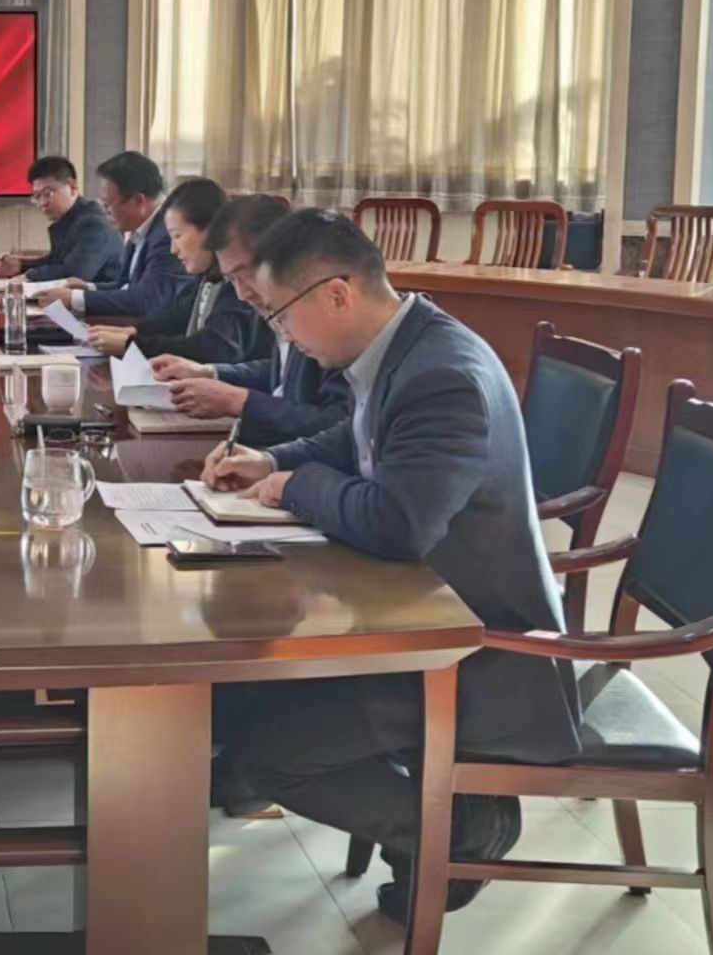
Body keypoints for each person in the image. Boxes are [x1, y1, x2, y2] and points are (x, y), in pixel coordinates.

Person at [201, 209, 579, 925]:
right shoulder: (404, 344)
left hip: (475, 653)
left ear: (337, 294)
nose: (281, 335)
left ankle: (460, 833)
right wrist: (272, 460)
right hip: (413, 615)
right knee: (237, 699)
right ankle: (437, 821)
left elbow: (401, 524)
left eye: (280, 315)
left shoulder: (444, 376)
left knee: (265, 756)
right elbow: (359, 440)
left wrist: (294, 486)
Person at [148, 194, 351, 446]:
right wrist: (209, 372)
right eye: (232, 280)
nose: (242, 294)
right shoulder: (280, 308)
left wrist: (241, 402)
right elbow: (283, 373)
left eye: (245, 274)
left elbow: (341, 426)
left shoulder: (328, 316)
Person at [82, 178, 270, 365]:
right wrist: (133, 332)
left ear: (211, 230)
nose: (173, 250)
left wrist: (133, 344)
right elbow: (174, 319)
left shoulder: (238, 284)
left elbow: (215, 347)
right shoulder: (206, 279)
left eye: (177, 236)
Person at [60, 151, 193, 318]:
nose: (105, 212)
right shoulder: (142, 229)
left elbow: (146, 300)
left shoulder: (167, 235)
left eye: (108, 204)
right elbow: (128, 287)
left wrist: (75, 298)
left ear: (138, 201)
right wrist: (89, 288)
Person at [0, 155, 123, 285]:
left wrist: (30, 276)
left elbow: (77, 273)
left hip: (101, 297)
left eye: (47, 194)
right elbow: (57, 262)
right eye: (37, 196)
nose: (42, 203)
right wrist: (21, 265)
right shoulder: (69, 219)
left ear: (73, 187)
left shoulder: (93, 223)